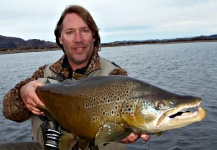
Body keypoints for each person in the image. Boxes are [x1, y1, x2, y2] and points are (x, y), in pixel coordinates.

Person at [2, 5, 151, 150]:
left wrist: (130, 130)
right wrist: (23, 92)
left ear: (94, 36)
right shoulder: (43, 74)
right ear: (60, 39)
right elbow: (10, 112)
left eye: (84, 31)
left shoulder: (116, 76)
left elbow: (131, 119)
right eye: (70, 32)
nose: (78, 39)